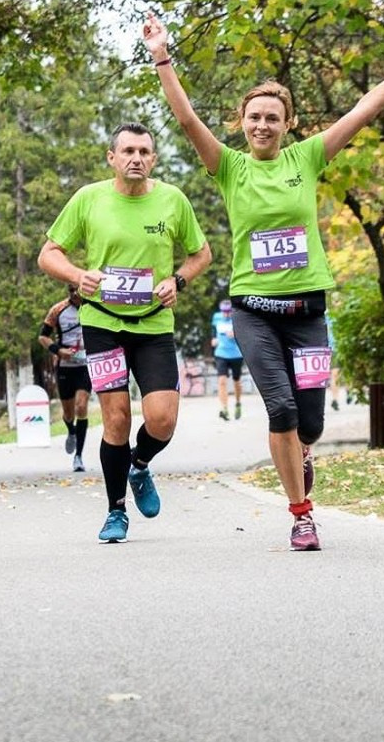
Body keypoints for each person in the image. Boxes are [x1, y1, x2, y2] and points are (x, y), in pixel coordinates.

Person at [147, 13, 384, 552]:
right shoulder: (229, 167)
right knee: (281, 409)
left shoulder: (308, 156)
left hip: (307, 310)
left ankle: (303, 451)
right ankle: (301, 514)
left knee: (312, 421)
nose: (262, 126)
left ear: (288, 124)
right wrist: (162, 56)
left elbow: (363, 111)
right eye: (254, 118)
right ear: (241, 122)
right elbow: (185, 121)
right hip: (252, 307)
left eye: (273, 118)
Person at [39, 123, 212, 543]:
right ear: (111, 158)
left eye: (145, 152)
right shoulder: (89, 198)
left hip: (153, 324)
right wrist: (78, 275)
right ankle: (116, 510)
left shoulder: (172, 200)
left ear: (154, 159)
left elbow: (201, 253)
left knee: (163, 420)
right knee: (116, 418)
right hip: (102, 324)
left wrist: (179, 281)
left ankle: (139, 464)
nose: (136, 158)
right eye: (128, 151)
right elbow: (49, 253)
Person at [39, 291, 91, 471]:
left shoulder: (93, 306)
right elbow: (43, 337)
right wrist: (58, 351)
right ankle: (71, 430)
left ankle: (78, 456)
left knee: (81, 407)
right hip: (65, 366)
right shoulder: (58, 309)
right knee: (69, 413)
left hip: (86, 365)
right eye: (72, 290)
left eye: (78, 289)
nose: (75, 294)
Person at [212, 300, 244, 420]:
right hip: (221, 353)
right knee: (222, 381)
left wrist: (236, 333)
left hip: (236, 354)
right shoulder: (216, 317)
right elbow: (213, 331)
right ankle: (224, 409)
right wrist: (214, 339)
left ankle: (238, 403)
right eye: (224, 312)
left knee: (236, 381)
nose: (226, 314)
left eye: (228, 311)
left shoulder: (237, 319)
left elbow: (246, 334)